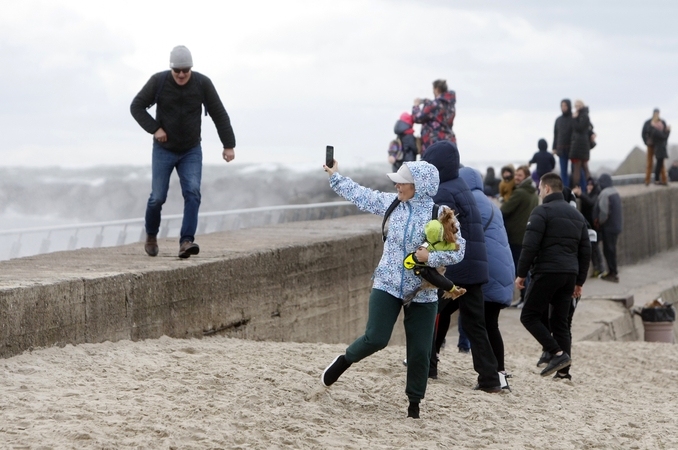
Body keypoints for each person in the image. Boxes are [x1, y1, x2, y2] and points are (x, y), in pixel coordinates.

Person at [320, 161, 466, 419]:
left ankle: (414, 407)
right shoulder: (392, 203)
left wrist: (428, 258)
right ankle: (344, 361)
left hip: (423, 290)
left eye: (402, 182)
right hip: (387, 283)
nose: (396, 185)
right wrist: (335, 176)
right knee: (376, 338)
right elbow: (362, 196)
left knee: (421, 352)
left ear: (419, 186)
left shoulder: (441, 214)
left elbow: (459, 251)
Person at [130, 45, 236, 258]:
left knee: (193, 192)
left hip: (190, 150)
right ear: (171, 68)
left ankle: (186, 241)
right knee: (157, 198)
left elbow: (219, 113)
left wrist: (228, 145)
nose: (181, 74)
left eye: (185, 70)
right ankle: (151, 235)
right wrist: (155, 128)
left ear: (191, 68)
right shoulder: (158, 81)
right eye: (177, 70)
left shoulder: (202, 83)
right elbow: (136, 106)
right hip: (164, 150)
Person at [421, 140, 502, 393]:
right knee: (475, 325)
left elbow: (444, 235)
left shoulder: (444, 193)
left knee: (429, 313)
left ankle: (427, 365)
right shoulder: (462, 187)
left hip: (457, 267)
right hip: (475, 266)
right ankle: (490, 379)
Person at [517, 173, 591, 378]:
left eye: (540, 188)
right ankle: (564, 372)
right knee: (560, 322)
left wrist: (521, 274)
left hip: (548, 271)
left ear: (547, 189)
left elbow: (529, 246)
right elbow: (586, 251)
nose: (539, 192)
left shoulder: (541, 212)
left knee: (529, 316)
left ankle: (557, 353)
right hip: (569, 274)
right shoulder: (578, 216)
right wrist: (579, 281)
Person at [459, 166, 516, 385]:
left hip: (485, 271)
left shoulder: (468, 203)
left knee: (477, 324)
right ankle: (500, 373)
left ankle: (489, 375)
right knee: (491, 323)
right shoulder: (491, 204)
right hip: (502, 269)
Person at [501, 165, 539, 307]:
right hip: (527, 236)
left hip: (516, 237)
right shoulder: (533, 193)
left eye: (520, 175)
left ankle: (526, 299)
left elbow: (504, 210)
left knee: (521, 270)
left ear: (526, 177)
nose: (516, 177)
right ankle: (525, 299)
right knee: (526, 269)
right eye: (516, 174)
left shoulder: (520, 193)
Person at [412, 79, 456, 155]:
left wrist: (416, 106)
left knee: (432, 165)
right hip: (449, 142)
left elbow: (417, 118)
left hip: (433, 144)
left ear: (437, 89)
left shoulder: (434, 104)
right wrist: (426, 101)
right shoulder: (451, 106)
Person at [593, 173, 623, 283]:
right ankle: (613, 271)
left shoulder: (605, 194)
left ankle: (612, 273)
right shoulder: (615, 192)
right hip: (616, 226)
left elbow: (604, 212)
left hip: (609, 228)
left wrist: (599, 223)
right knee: (612, 250)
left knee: (608, 250)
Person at [573, 179, 605, 278]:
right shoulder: (587, 193)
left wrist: (581, 194)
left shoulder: (596, 195)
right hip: (588, 226)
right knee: (591, 249)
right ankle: (597, 268)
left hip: (595, 227)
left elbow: (591, 202)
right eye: (588, 185)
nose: (589, 187)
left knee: (595, 249)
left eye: (591, 185)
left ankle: (601, 269)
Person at [642, 109, 672, 186]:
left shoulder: (662, 122)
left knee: (661, 163)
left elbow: (664, 135)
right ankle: (647, 181)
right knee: (649, 163)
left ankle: (664, 180)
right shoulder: (648, 123)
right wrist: (646, 142)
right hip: (651, 145)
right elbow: (643, 133)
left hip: (659, 145)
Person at [569, 100, 593, 191]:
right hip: (582, 144)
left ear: (582, 105)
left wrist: (574, 118)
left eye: (579, 105)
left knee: (577, 167)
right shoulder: (585, 115)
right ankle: (590, 186)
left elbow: (579, 128)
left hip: (580, 144)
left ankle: (577, 187)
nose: (577, 107)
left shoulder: (583, 115)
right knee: (584, 166)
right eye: (576, 105)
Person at [553, 99, 574, 188]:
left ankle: (575, 189)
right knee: (563, 171)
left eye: (565, 106)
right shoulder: (558, 120)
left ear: (569, 106)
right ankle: (565, 190)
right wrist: (554, 147)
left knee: (575, 170)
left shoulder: (574, 118)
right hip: (561, 148)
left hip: (573, 148)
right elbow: (555, 134)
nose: (563, 108)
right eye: (562, 106)